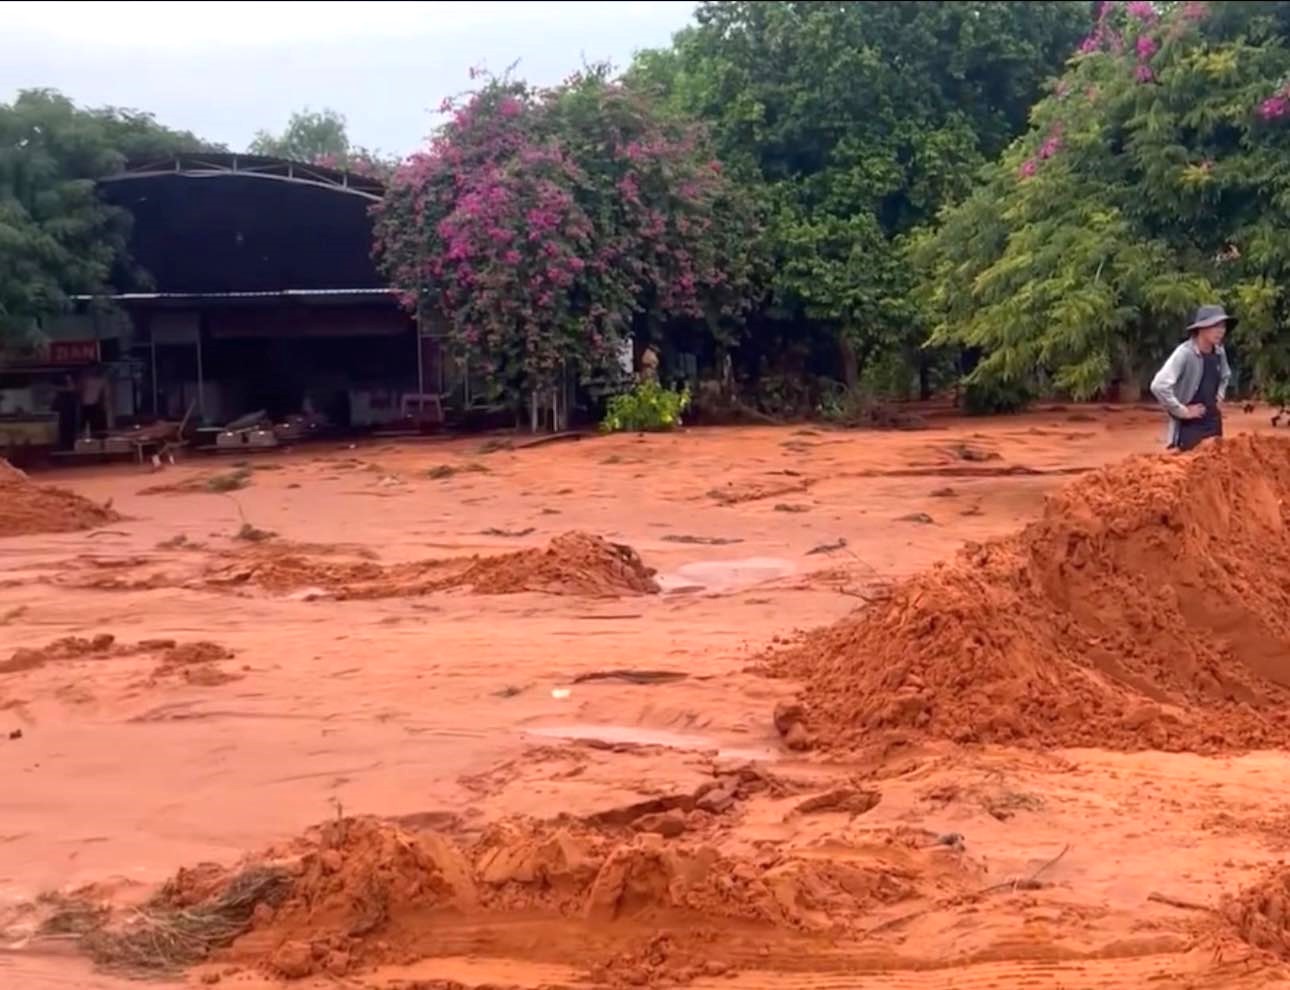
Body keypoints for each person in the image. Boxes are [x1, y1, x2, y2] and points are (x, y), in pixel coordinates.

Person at [1149, 304, 1234, 451]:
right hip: (1190, 427)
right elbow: (1159, 385)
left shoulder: (1219, 352)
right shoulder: (1185, 353)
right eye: (1215, 326)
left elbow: (1225, 376)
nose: (1220, 331)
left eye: (1223, 326)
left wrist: (1219, 396)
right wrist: (1182, 411)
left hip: (1213, 422)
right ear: (1201, 328)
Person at [78, 364, 110, 436]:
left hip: (96, 405)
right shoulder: (84, 379)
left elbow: (105, 394)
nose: (93, 370)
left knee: (98, 427)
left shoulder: (102, 380)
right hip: (85, 405)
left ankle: (99, 440)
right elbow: (79, 391)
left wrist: (104, 405)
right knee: (83, 426)